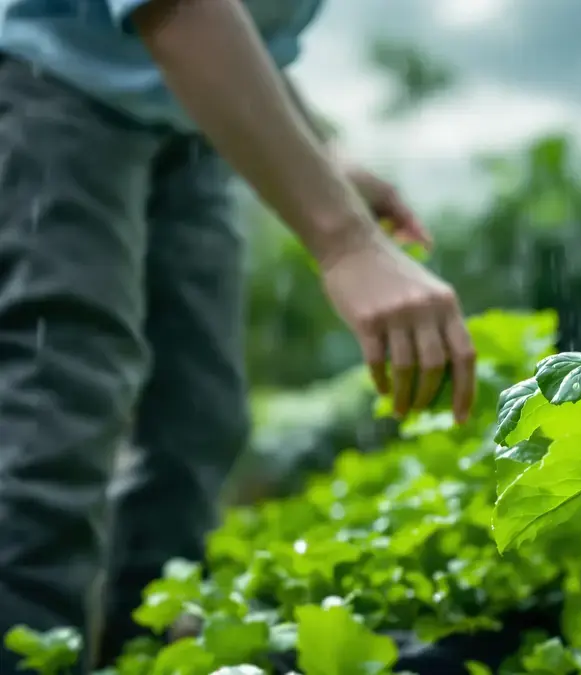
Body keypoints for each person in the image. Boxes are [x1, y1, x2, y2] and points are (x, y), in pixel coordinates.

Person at [0, 0, 477, 670]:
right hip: (53, 87)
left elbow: (237, 35)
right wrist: (348, 243)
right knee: (61, 410)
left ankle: (144, 650)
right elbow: (173, 11)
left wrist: (327, 156)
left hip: (187, 121)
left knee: (199, 416)